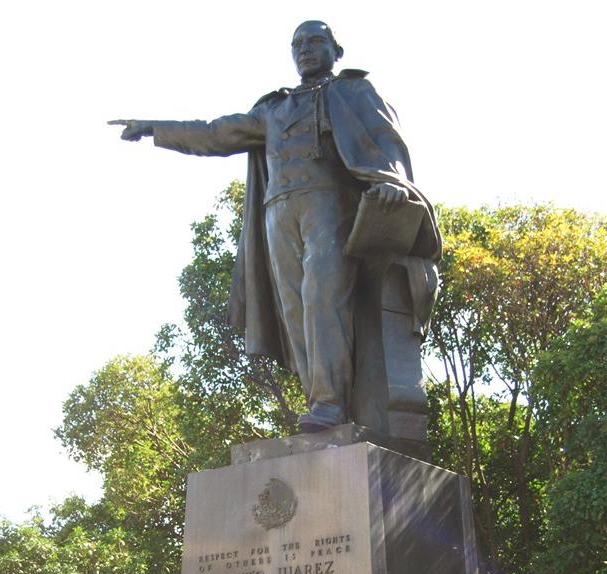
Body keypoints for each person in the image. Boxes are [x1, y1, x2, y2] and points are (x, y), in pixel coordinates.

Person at [111, 20, 441, 435]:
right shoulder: (272, 109)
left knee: (322, 297)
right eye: (297, 44)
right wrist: (155, 128)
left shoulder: (354, 91)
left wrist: (391, 183)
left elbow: (385, 140)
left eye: (316, 41)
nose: (305, 49)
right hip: (277, 213)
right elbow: (216, 133)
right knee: (294, 311)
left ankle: (329, 401)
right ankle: (318, 399)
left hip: (329, 206)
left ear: (336, 51)